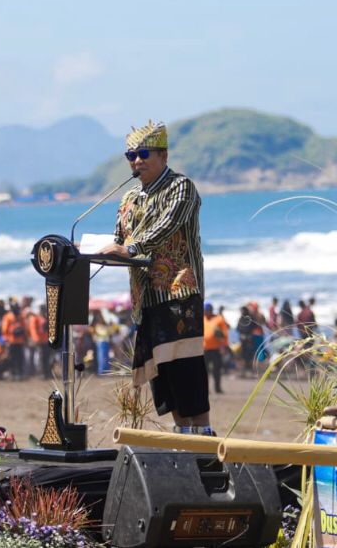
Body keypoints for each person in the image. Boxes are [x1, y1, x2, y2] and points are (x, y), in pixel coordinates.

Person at [98, 120, 211, 436]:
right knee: (164, 378)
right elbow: (119, 238)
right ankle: (183, 438)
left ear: (163, 155)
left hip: (178, 292)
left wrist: (130, 248)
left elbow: (168, 225)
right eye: (130, 155)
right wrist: (97, 250)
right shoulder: (129, 198)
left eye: (144, 153)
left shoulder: (181, 187)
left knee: (186, 370)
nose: (137, 161)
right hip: (145, 298)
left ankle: (203, 439)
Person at [202, 303, 229, 394]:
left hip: (216, 349)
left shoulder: (219, 319)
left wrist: (224, 346)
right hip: (204, 349)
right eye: (205, 311)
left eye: (208, 311)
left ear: (211, 310)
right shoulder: (202, 319)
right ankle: (205, 389)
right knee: (205, 371)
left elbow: (225, 334)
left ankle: (217, 388)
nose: (206, 312)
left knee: (216, 369)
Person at [0, 301, 27, 380]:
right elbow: (4, 330)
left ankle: (20, 373)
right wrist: (12, 333)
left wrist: (22, 331)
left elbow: (24, 326)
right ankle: (13, 373)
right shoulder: (7, 317)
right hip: (11, 341)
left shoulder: (20, 315)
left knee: (20, 358)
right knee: (12, 358)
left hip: (20, 341)